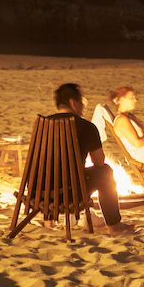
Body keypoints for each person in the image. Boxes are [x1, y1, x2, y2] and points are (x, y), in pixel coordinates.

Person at [47, 83, 124, 229]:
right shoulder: (86, 127)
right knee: (106, 171)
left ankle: (48, 220)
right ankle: (114, 225)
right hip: (69, 194)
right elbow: (99, 162)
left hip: (41, 192)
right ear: (73, 103)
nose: (84, 107)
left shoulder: (42, 124)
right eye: (82, 103)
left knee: (51, 172)